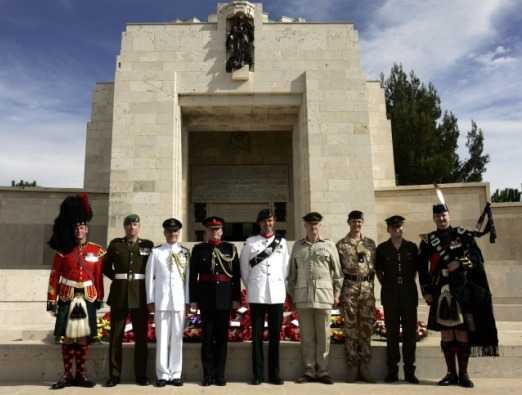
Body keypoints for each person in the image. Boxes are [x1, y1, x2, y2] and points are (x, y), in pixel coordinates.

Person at [419, 202, 499, 388]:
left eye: (444, 215)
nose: (441, 218)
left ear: (449, 215)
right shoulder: (428, 240)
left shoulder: (463, 235)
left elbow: (477, 258)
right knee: (447, 333)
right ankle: (450, 374)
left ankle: (463, 374)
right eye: (438, 216)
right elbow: (422, 269)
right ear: (434, 218)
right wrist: (426, 291)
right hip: (441, 290)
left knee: (462, 332)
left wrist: (461, 263)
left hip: (462, 290)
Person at [46, 193, 105, 389]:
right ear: (73, 230)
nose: (79, 230)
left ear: (86, 229)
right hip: (67, 296)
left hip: (87, 297)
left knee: (83, 337)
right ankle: (66, 375)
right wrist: (51, 300)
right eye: (76, 227)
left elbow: (98, 278)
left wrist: (100, 298)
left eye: (82, 227)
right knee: (68, 337)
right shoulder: (63, 251)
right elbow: (54, 276)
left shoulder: (97, 251)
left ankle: (81, 374)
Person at [287, 212, 343, 384]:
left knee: (324, 335)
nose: (313, 227)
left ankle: (323, 370)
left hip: (324, 296)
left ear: (320, 226)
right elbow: (292, 275)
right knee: (307, 335)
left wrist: (337, 293)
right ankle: (310, 370)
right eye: (310, 225)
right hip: (303, 297)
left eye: (316, 225)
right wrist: (292, 295)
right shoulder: (298, 246)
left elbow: (338, 273)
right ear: (305, 226)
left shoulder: (329, 246)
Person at [189, 216, 241, 386]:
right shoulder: (199, 249)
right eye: (211, 229)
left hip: (224, 300)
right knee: (207, 339)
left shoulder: (230, 249)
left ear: (222, 231)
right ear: (206, 231)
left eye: (217, 229)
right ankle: (207, 375)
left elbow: (236, 277)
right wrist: (193, 299)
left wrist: (235, 298)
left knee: (221, 339)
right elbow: (192, 277)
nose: (214, 232)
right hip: (206, 299)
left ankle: (220, 375)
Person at [240, 208, 289, 385]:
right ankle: (258, 374)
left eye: (270, 221)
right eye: (263, 221)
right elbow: (244, 270)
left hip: (276, 294)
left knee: (276, 336)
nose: (267, 224)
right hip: (257, 294)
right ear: (258, 223)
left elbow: (285, 269)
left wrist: (280, 287)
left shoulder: (282, 243)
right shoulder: (250, 242)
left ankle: (275, 374)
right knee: (257, 335)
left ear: (274, 222)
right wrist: (252, 287)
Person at [103, 214, 153, 387]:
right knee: (116, 337)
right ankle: (114, 375)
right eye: (129, 224)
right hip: (120, 294)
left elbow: (152, 269)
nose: (132, 227)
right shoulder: (116, 244)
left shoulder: (147, 245)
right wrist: (119, 279)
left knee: (141, 337)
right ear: (124, 227)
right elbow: (106, 267)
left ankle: (141, 375)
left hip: (140, 295)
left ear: (139, 227)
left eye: (135, 224)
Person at [375, 215, 420, 383]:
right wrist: (388, 284)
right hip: (390, 294)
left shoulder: (412, 247)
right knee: (392, 335)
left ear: (403, 228)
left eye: (400, 226)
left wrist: (405, 284)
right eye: (393, 227)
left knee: (410, 335)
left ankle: (410, 371)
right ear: (388, 230)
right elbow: (379, 271)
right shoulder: (382, 249)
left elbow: (416, 269)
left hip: (408, 294)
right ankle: (392, 371)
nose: (397, 229)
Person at [145, 218, 190, 387]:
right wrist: (150, 299)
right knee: (162, 338)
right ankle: (163, 374)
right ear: (165, 233)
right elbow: (149, 278)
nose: (173, 234)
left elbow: (186, 280)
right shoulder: (157, 252)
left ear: (179, 233)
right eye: (170, 231)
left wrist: (187, 301)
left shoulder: (185, 253)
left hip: (178, 301)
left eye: (176, 231)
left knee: (177, 338)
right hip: (161, 301)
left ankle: (176, 373)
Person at [336, 210, 377, 382]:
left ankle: (365, 366)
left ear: (363, 223)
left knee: (366, 327)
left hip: (367, 289)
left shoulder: (370, 244)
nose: (356, 224)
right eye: (353, 221)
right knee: (351, 328)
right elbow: (337, 271)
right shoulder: (341, 245)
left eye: (359, 221)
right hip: (350, 288)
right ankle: (353, 365)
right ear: (348, 223)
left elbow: (374, 267)